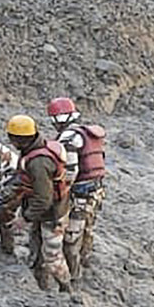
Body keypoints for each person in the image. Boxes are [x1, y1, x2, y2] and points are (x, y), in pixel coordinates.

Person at [4, 114, 73, 292]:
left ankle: (66, 289)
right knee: (36, 248)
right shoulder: (35, 148)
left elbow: (44, 198)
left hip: (52, 214)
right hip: (44, 210)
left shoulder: (38, 163)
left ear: (19, 140)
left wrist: (24, 218)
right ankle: (41, 285)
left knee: (52, 256)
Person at [47, 96, 108, 278]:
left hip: (81, 195)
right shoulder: (88, 133)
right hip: (96, 190)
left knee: (72, 236)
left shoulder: (70, 138)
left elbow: (71, 172)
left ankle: (73, 274)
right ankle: (85, 259)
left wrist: (58, 193)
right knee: (87, 228)